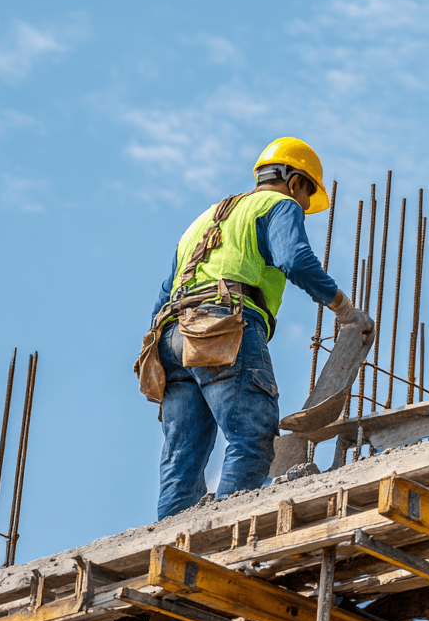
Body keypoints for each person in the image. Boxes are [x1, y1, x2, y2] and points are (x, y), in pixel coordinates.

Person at [145, 137, 373, 519]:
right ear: (295, 180)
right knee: (251, 437)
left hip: (171, 337)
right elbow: (294, 259)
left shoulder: (205, 219)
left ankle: (171, 542)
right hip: (224, 326)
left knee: (181, 457)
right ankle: (225, 537)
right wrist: (344, 309)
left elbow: (164, 294)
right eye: (307, 194)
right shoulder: (278, 204)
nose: (303, 205)